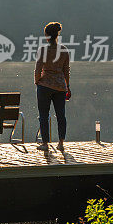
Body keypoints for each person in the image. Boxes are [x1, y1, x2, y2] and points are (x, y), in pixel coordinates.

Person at [34, 22, 70, 152]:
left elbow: (38, 69)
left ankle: (45, 143)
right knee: (61, 115)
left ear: (46, 36)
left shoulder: (42, 50)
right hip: (60, 86)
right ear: (57, 35)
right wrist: (68, 86)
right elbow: (66, 70)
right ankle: (60, 143)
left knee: (43, 115)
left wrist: (37, 81)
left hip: (44, 86)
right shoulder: (64, 50)